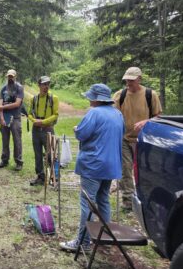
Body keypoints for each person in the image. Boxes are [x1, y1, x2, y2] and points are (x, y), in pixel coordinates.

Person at [60, 84, 124, 252]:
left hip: (93, 165)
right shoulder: (118, 114)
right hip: (111, 165)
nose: (88, 100)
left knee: (87, 202)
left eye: (90, 97)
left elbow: (81, 134)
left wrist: (76, 129)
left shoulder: (94, 113)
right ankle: (105, 238)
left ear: (97, 99)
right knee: (103, 199)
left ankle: (83, 242)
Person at [113, 67, 162, 211]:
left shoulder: (150, 95)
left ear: (139, 79)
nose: (128, 83)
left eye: (132, 80)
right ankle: (128, 202)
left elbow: (158, 116)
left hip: (144, 140)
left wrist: (146, 122)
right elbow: (112, 114)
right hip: (124, 139)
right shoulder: (120, 95)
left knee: (143, 170)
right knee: (126, 170)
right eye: (127, 80)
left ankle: (146, 201)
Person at [28, 76, 59, 185]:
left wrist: (44, 122)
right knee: (37, 154)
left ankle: (55, 177)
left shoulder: (53, 98)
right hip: (36, 128)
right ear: (39, 85)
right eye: (44, 84)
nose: (46, 87)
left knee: (51, 153)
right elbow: (29, 113)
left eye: (48, 84)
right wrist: (34, 120)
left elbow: (56, 114)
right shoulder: (34, 99)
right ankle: (41, 177)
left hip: (48, 128)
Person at [0, 69, 24, 171]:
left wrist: (3, 107)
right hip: (4, 118)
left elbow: (17, 103)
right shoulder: (3, 89)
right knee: (5, 140)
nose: (10, 78)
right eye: (9, 76)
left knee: (17, 141)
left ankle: (18, 162)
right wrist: (2, 118)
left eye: (12, 76)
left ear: (15, 77)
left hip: (15, 118)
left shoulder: (19, 88)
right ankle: (4, 160)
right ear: (7, 76)